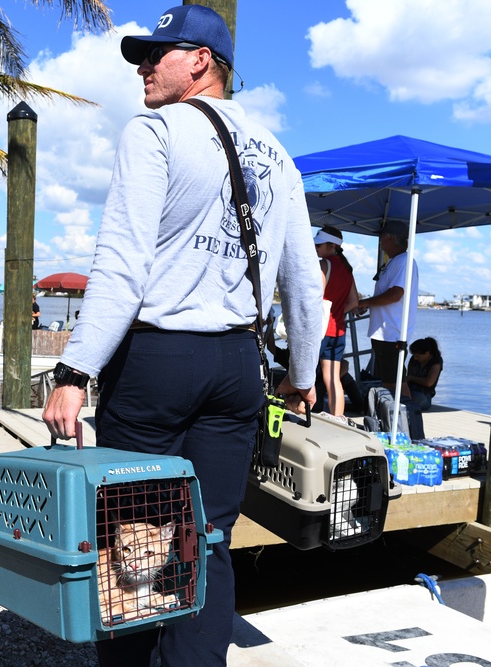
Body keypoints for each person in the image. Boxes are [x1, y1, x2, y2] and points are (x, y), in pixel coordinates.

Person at [41, 6, 322, 665]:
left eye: (157, 54)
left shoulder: (155, 132)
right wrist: (302, 376)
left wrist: (75, 371)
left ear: (201, 61)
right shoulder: (280, 158)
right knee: (210, 537)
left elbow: (122, 260)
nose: (142, 66)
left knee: (133, 536)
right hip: (236, 365)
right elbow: (303, 281)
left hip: (157, 360)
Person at [357, 220, 419, 391]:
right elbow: (387, 294)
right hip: (384, 334)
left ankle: (406, 415)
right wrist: (369, 305)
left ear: (390, 238)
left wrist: (365, 302)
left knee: (395, 382)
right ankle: (392, 414)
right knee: (389, 380)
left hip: (392, 334)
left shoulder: (404, 261)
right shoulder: (394, 261)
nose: (380, 241)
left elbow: (395, 294)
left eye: (381, 237)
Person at [315, 226, 358, 417]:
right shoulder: (347, 269)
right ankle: (338, 418)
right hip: (339, 329)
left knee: (305, 373)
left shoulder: (324, 264)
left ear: (331, 246)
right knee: (333, 378)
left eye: (319, 244)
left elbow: (316, 297)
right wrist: (337, 311)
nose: (316, 247)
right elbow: (354, 302)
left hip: (321, 329)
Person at [404, 337, 442, 410]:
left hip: (424, 395)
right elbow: (408, 377)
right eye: (414, 355)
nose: (415, 358)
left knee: (417, 398)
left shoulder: (436, 361)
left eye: (418, 356)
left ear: (427, 353)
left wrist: (412, 378)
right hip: (410, 390)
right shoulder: (414, 360)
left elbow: (429, 382)